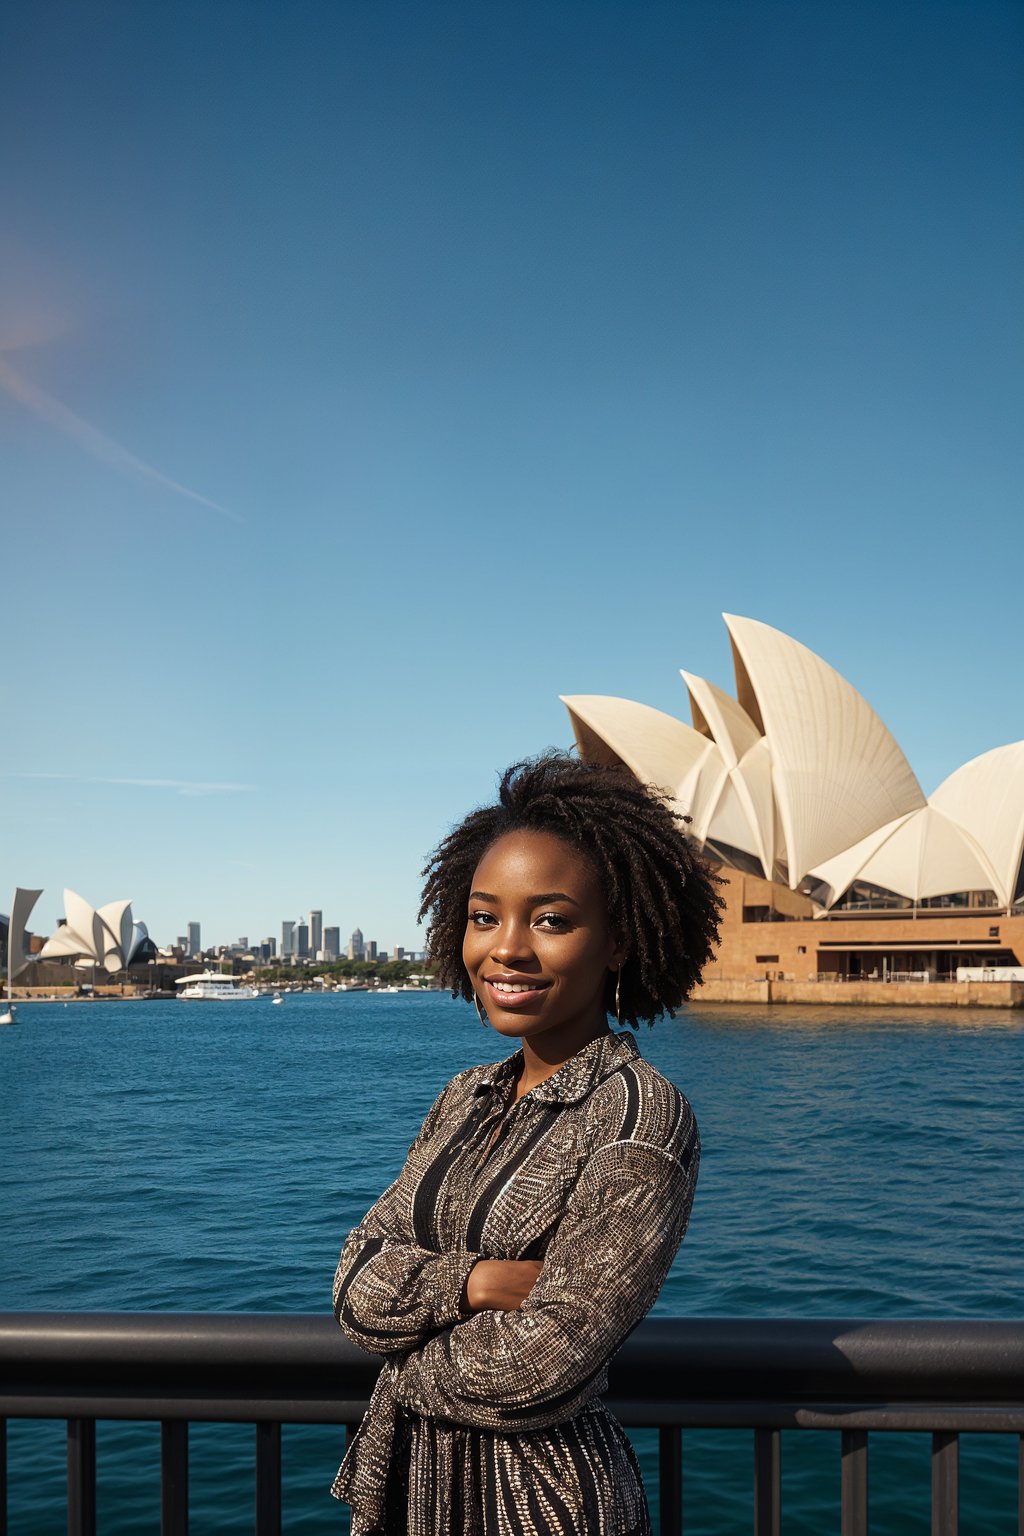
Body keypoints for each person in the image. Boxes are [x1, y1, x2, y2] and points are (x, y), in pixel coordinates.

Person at [331, 753, 722, 1535]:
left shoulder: (639, 1117)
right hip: (411, 1498)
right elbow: (354, 1278)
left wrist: (402, 1352)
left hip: (541, 1509)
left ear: (616, 941)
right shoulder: (465, 1096)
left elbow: (537, 1368)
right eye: (485, 916)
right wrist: (476, 1283)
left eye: (550, 919)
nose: (506, 948)